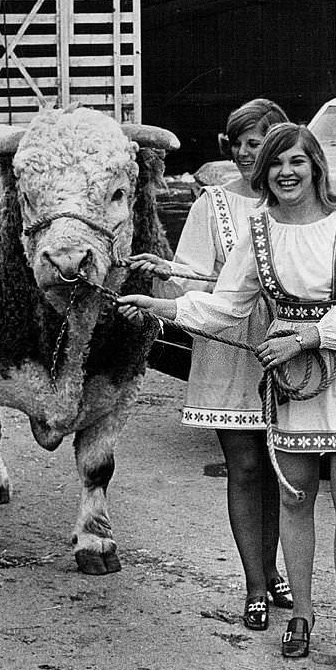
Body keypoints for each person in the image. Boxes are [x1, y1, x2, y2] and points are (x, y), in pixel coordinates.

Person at [119, 123, 336, 670]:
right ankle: (301, 616)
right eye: (276, 164)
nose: (286, 172)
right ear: (265, 174)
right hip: (292, 381)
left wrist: (308, 336)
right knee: (295, 498)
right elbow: (227, 306)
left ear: (317, 166)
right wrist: (162, 309)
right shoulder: (258, 231)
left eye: (297, 161)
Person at [126, 99, 294, 631]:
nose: (249, 152)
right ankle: (255, 585)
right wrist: (168, 274)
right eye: (240, 141)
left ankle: (277, 570)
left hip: (289, 350)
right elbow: (194, 278)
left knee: (283, 470)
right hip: (228, 349)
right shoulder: (213, 205)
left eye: (259, 140)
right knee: (245, 467)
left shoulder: (296, 202)